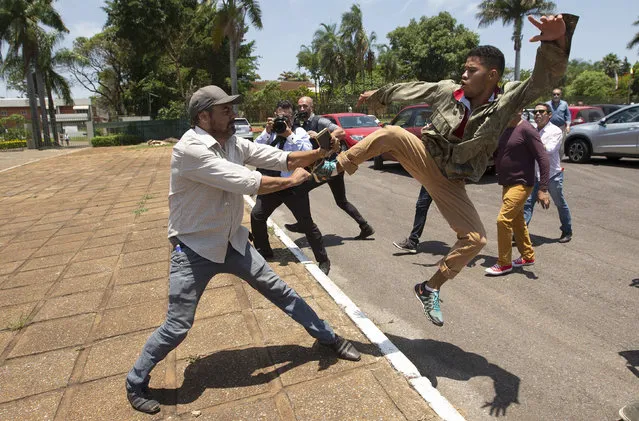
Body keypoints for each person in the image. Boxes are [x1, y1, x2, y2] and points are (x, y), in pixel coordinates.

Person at [311, 14, 578, 327]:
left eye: (471, 70)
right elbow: (410, 89)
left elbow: (542, 81)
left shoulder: (505, 102)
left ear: (492, 75)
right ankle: (334, 166)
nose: (463, 74)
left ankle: (429, 287)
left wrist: (554, 42)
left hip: (451, 180)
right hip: (425, 157)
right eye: (463, 68)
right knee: (391, 134)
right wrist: (378, 96)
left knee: (476, 239)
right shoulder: (447, 91)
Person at [125, 86, 361, 415]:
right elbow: (248, 181)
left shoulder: (233, 142)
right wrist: (292, 181)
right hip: (194, 248)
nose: (233, 114)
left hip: (232, 241)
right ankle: (135, 380)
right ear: (202, 116)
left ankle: (329, 338)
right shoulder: (190, 150)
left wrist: (319, 152)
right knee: (178, 325)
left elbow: (283, 158)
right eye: (224, 110)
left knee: (282, 291)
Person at [250, 100, 332, 275]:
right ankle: (264, 250)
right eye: (280, 116)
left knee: (306, 223)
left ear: (292, 117)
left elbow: (307, 152)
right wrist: (267, 131)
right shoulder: (270, 133)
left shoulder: (299, 132)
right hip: (273, 184)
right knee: (257, 215)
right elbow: (255, 149)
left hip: (293, 185)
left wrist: (288, 134)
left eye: (287, 117)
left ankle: (323, 260)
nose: (283, 120)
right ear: (274, 115)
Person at [284, 96, 375, 239]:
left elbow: (341, 132)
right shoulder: (299, 123)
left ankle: (304, 223)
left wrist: (321, 136)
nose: (302, 109)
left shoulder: (320, 121)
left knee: (300, 188)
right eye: (300, 106)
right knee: (341, 201)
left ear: (311, 107)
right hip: (327, 166)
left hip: (330, 165)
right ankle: (365, 226)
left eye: (305, 106)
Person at [485, 110, 550, 276]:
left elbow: (543, 158)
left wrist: (543, 189)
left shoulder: (527, 130)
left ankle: (504, 263)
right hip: (507, 183)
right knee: (517, 221)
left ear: (520, 110)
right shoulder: (504, 129)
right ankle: (528, 255)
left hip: (521, 184)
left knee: (503, 220)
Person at [523, 102, 574, 243]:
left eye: (541, 112)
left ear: (549, 115)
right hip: (534, 174)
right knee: (527, 204)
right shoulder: (531, 129)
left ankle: (567, 230)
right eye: (536, 112)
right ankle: (521, 232)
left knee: (559, 203)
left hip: (552, 175)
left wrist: (531, 144)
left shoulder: (555, 131)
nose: (537, 114)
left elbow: (549, 150)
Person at [392, 186, 433, 253]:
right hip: (431, 180)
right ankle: (412, 242)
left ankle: (455, 252)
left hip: (448, 182)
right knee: (421, 205)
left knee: (451, 212)